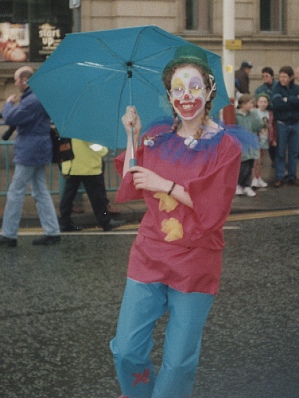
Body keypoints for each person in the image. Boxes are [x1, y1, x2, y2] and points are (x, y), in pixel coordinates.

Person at [110, 45, 242, 398]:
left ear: (209, 91)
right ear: (169, 95)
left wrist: (164, 184)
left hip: (197, 260)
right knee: (126, 349)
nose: (187, 96)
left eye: (194, 86)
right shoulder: (157, 136)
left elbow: (215, 207)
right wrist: (132, 135)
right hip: (150, 253)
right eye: (178, 89)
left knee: (179, 361)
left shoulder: (226, 146)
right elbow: (134, 177)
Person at [0, 66, 61, 247]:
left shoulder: (32, 100)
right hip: (37, 149)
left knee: (15, 191)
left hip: (30, 150)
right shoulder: (35, 98)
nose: (16, 83)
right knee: (40, 191)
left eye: (17, 80)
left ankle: (9, 235)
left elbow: (11, 118)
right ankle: (52, 232)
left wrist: (9, 103)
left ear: (25, 81)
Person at [59, 139, 124, 231]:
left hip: (72, 164)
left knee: (68, 195)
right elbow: (92, 143)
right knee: (98, 197)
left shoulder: (69, 126)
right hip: (88, 164)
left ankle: (65, 223)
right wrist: (104, 150)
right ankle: (105, 221)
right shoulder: (86, 125)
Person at [272, 66, 299, 187]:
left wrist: (286, 99)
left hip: (295, 123)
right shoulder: (276, 88)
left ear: (291, 77)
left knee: (294, 151)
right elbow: (277, 104)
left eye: (284, 76)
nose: (282, 79)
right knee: (281, 151)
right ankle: (280, 176)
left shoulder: (297, 88)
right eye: (280, 76)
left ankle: (292, 176)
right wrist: (293, 101)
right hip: (282, 123)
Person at [235, 94, 263, 197]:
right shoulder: (236, 116)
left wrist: (255, 115)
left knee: (250, 164)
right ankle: (239, 185)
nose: (252, 104)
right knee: (243, 166)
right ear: (243, 104)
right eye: (250, 102)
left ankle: (247, 185)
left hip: (251, 144)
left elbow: (258, 126)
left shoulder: (253, 114)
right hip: (242, 144)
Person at [254, 93, 277, 181]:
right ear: (257, 103)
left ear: (268, 103)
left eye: (265, 102)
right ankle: (255, 178)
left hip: (265, 139)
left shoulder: (270, 113)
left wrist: (273, 139)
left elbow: (272, 126)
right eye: (261, 101)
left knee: (261, 160)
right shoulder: (254, 112)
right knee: (257, 160)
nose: (263, 103)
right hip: (256, 139)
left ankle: (259, 177)